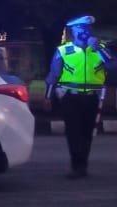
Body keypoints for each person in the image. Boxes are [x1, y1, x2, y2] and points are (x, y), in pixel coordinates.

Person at [44, 15, 115, 179]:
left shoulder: (100, 49)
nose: (84, 32)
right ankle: (76, 165)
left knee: (87, 132)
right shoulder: (64, 50)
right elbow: (53, 74)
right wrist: (47, 97)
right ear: (73, 31)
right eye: (80, 29)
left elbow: (112, 66)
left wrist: (98, 48)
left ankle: (82, 165)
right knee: (73, 131)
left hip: (92, 98)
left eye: (87, 29)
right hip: (70, 97)